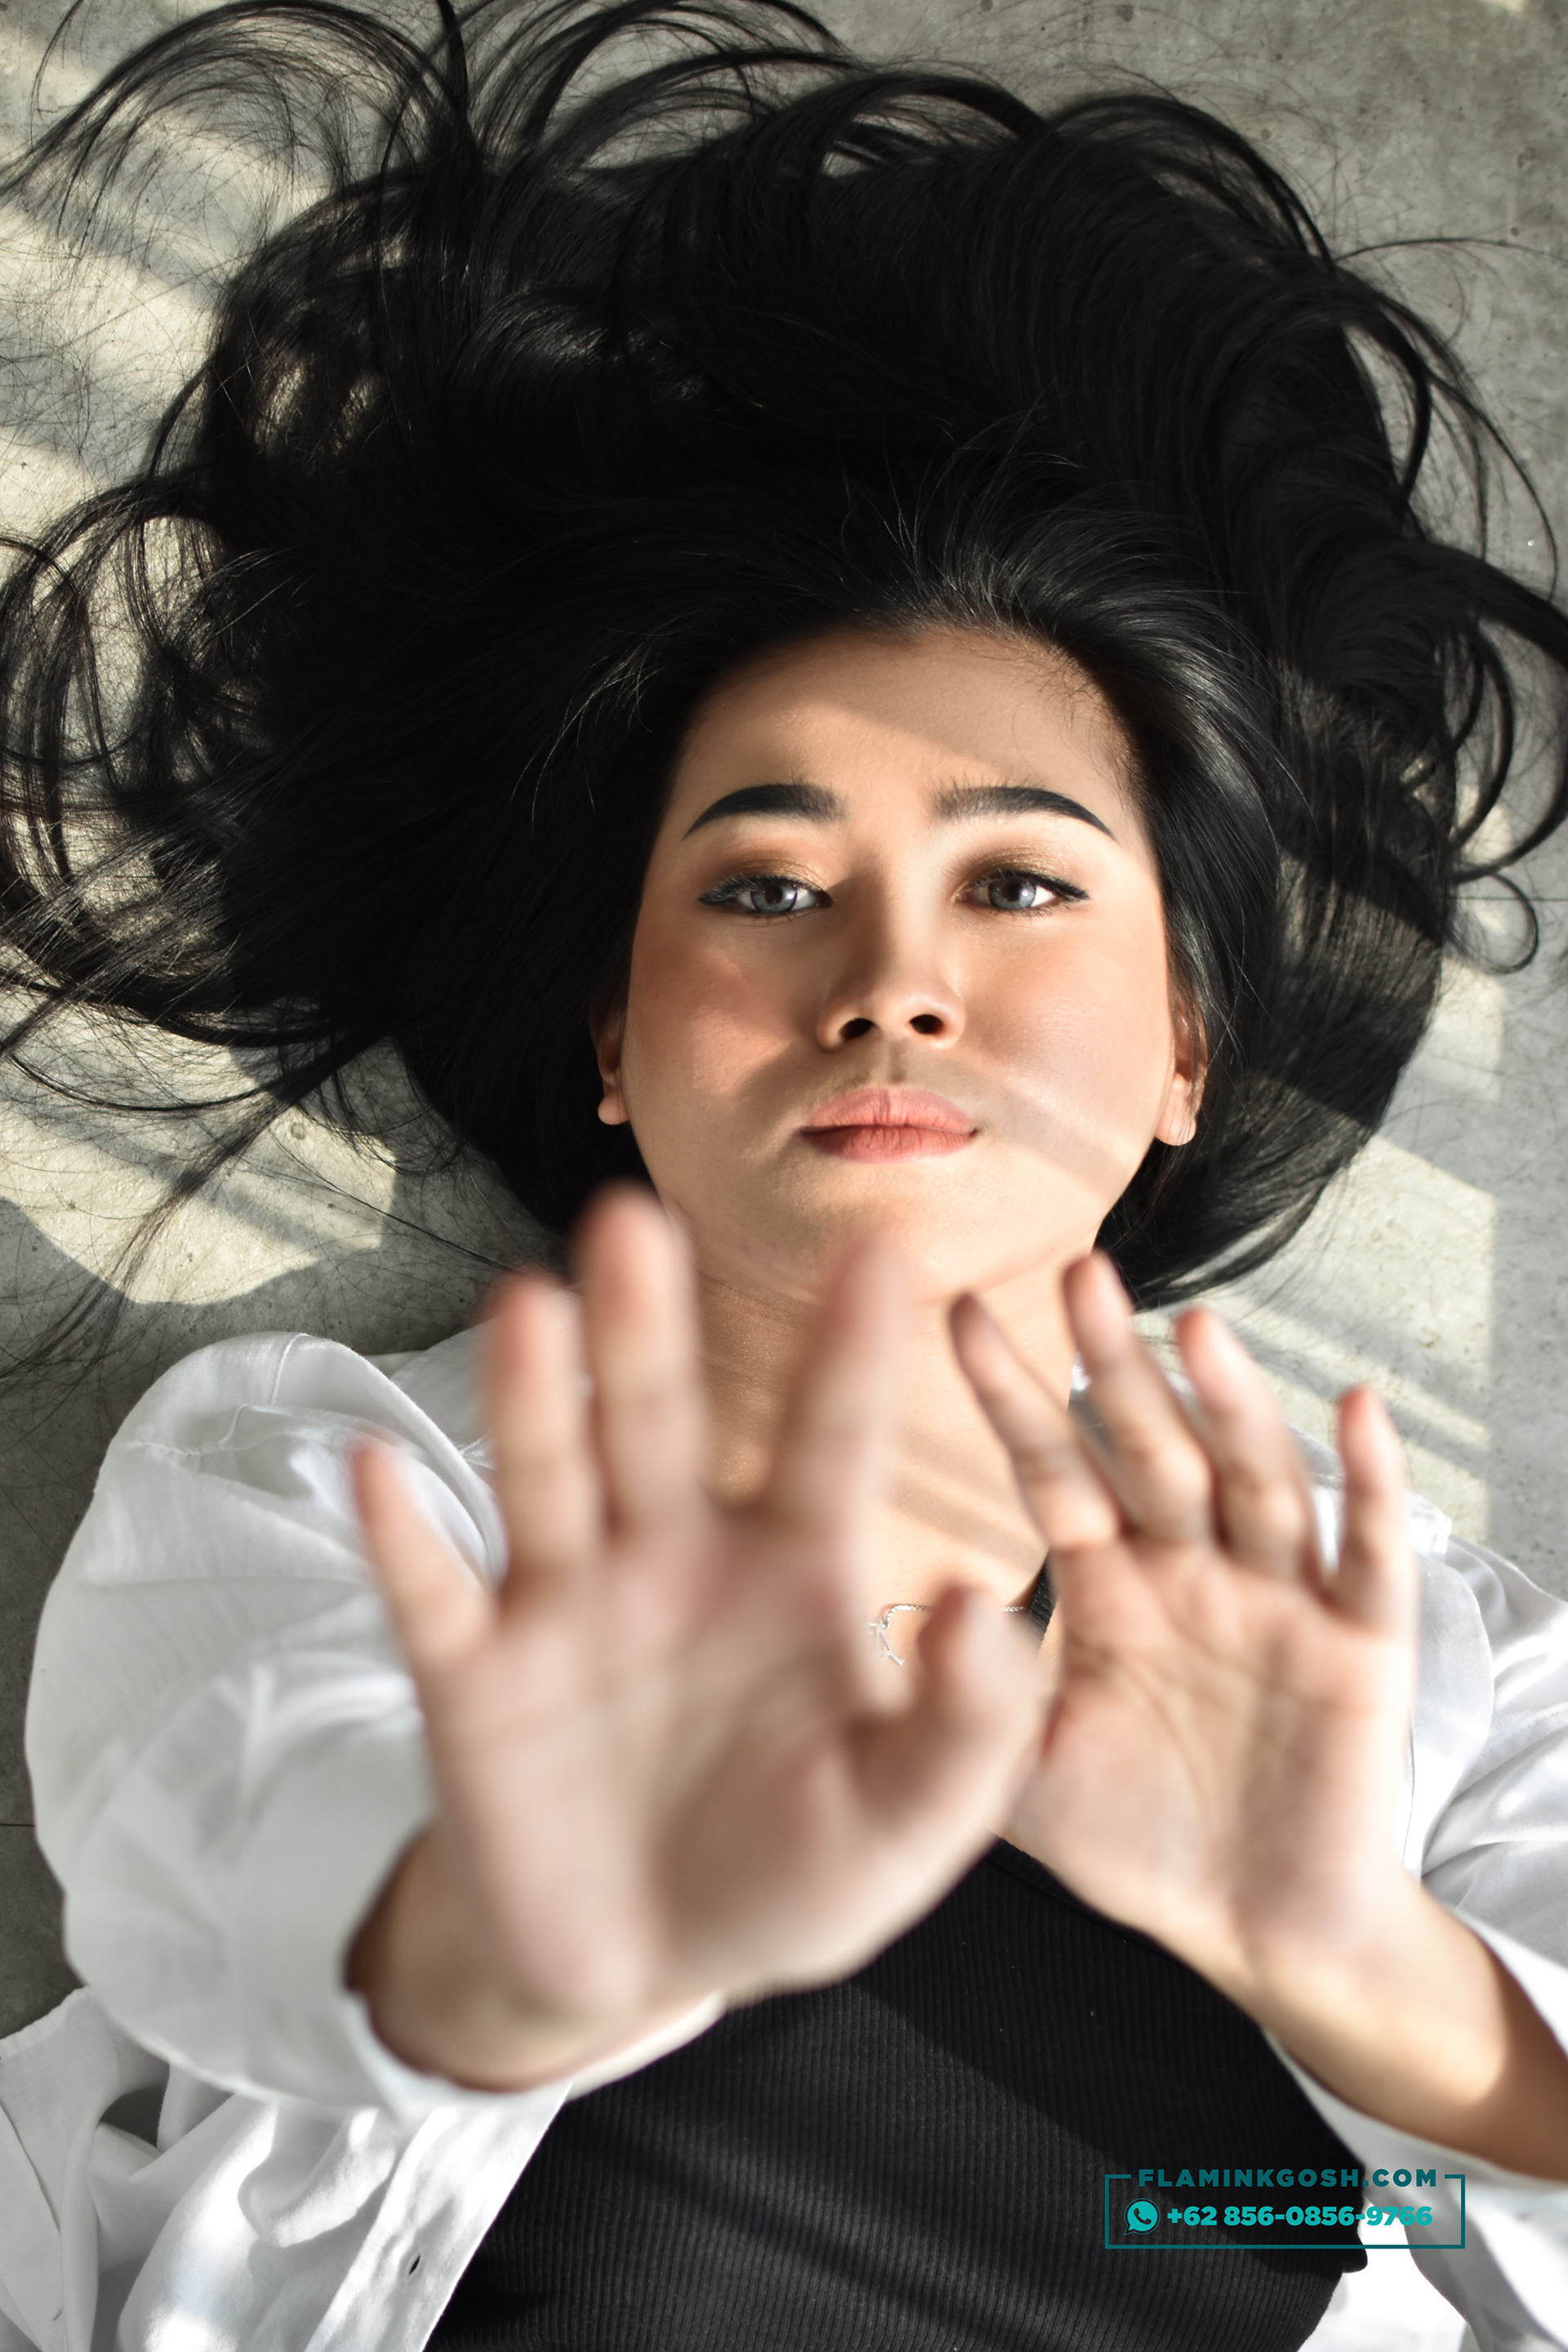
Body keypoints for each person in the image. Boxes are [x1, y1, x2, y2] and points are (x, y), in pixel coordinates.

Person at [3, 2, 1568, 2348]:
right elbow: (234, 1882)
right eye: (765, 885)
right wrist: (587, 1907)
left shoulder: (1444, 1669)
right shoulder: (326, 1490)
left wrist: (1341, 1952)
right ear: (612, 1038)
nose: (894, 987)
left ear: (1185, 1047)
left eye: (1019, 885)